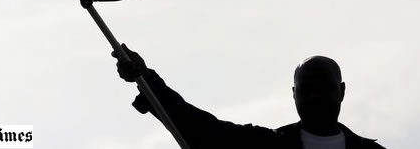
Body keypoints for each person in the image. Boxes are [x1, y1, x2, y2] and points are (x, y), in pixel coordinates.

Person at [112, 44, 385, 149]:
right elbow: (199, 129)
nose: (314, 97)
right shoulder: (266, 146)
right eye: (305, 90)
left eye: (323, 88)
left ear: (342, 91)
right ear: (293, 95)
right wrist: (145, 78)